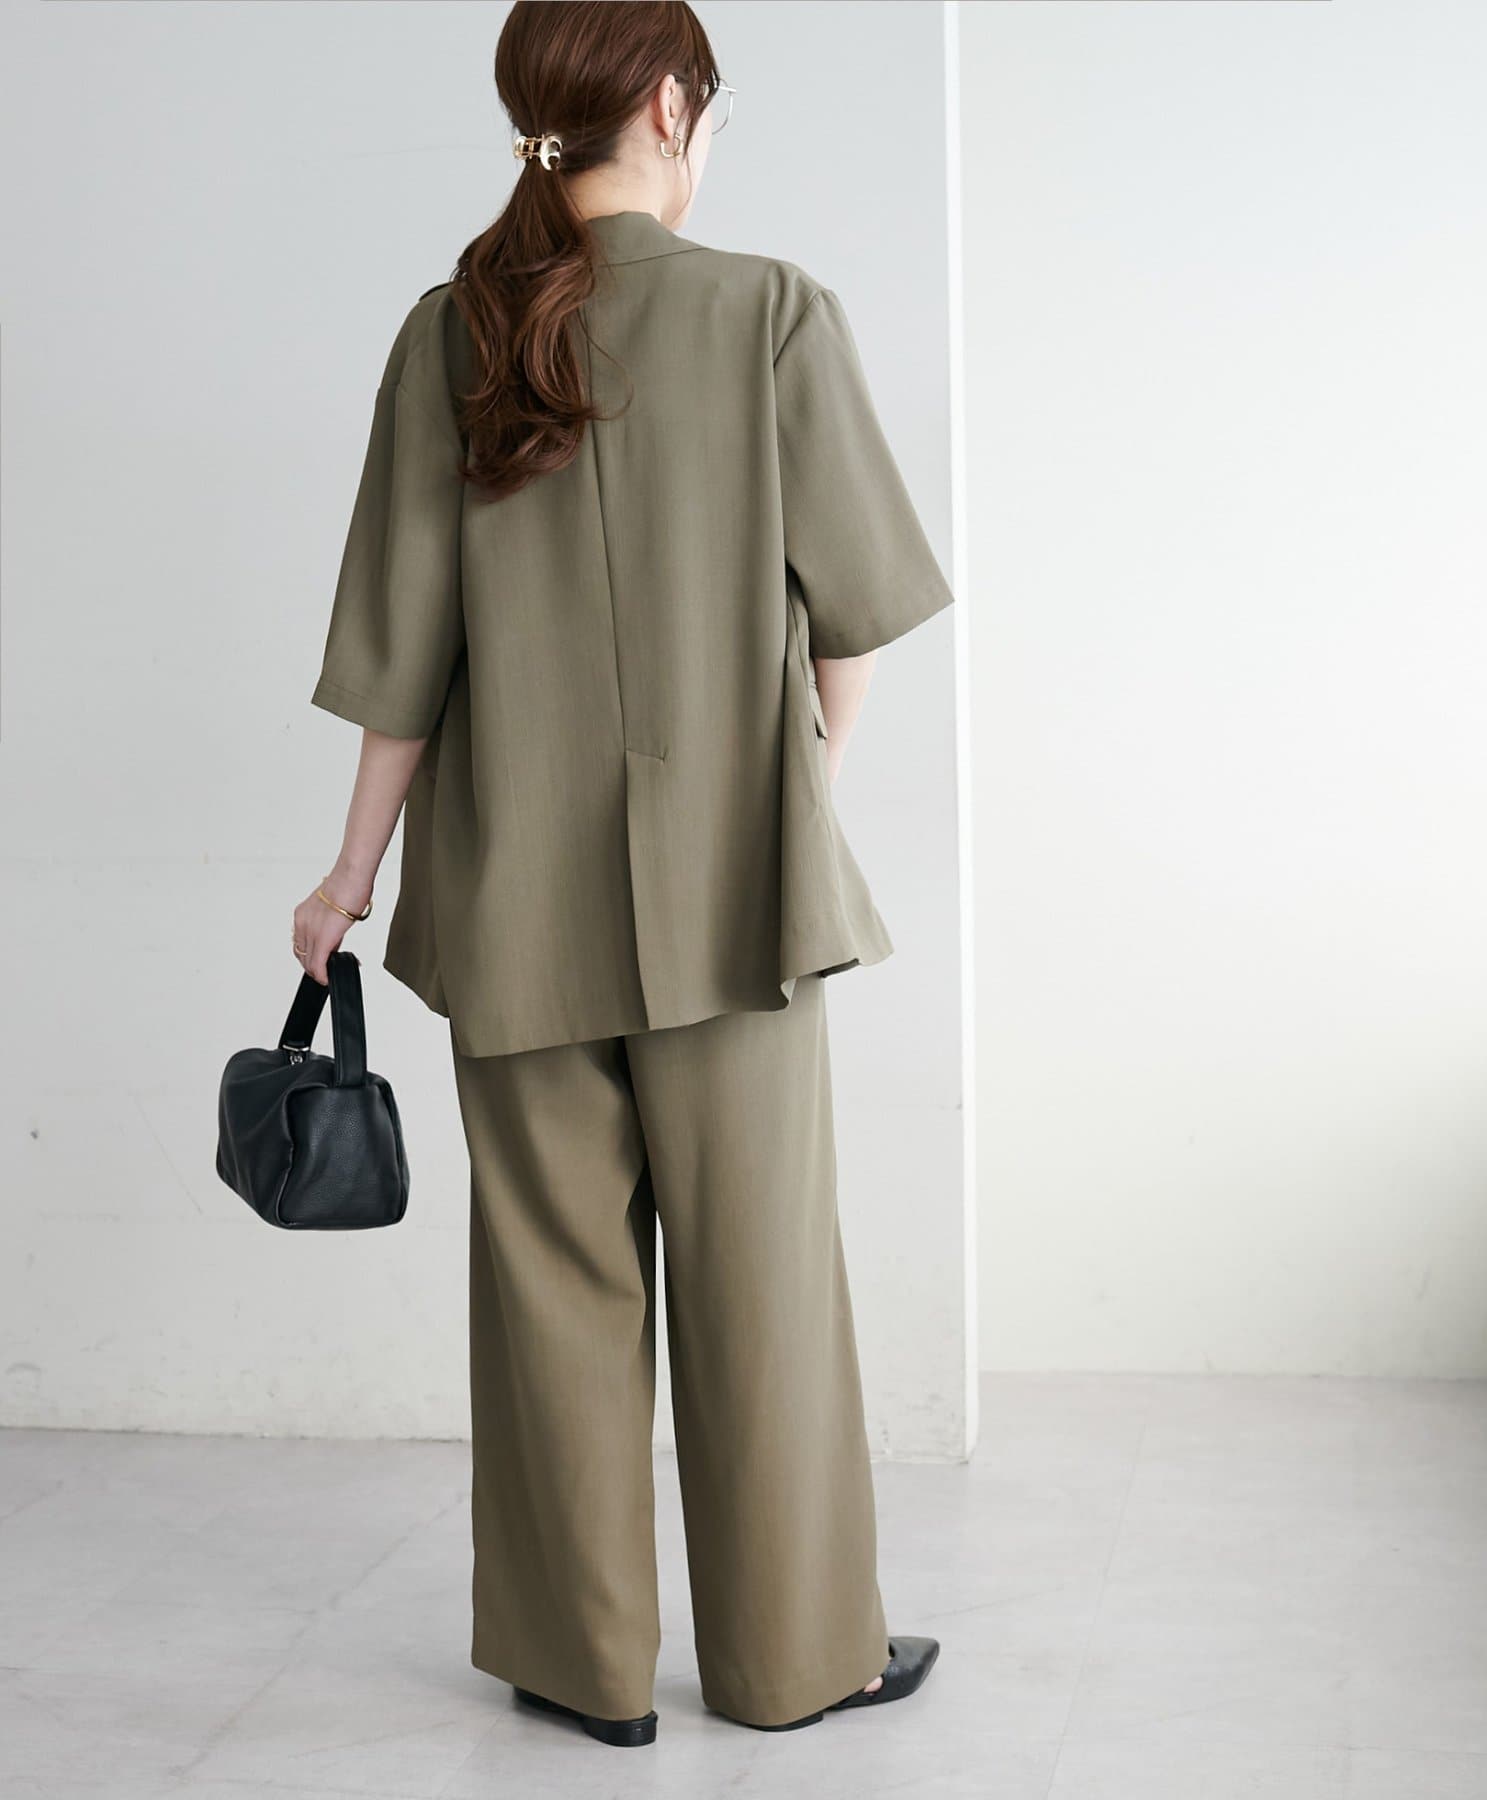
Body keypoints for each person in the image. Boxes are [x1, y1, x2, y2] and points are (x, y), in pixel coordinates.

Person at [292, 0, 952, 1748]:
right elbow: (855, 625)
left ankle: (579, 1666)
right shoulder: (770, 313)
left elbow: (397, 659)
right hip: (737, 904)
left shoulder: (450, 335)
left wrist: (348, 878)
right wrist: (797, 794)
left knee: (552, 1289)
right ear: (669, 106)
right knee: (764, 1292)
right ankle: (795, 1658)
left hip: (510, 899)